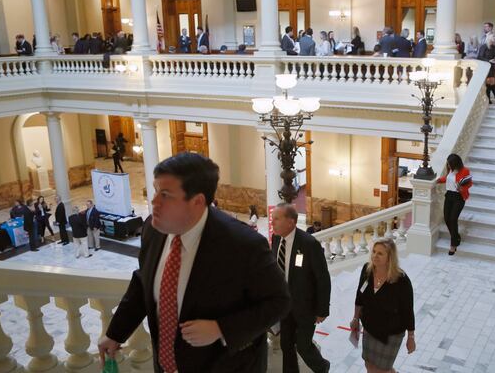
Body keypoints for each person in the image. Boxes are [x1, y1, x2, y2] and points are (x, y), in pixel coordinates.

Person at [98, 153, 290, 372]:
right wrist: (115, 334)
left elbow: (278, 301)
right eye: (155, 190)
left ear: (197, 201)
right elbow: (145, 282)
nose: (154, 202)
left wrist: (221, 329)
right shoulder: (153, 228)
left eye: (166, 194)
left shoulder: (243, 245)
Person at [271, 203, 331, 373]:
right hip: (285, 306)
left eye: (277, 218)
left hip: (305, 307)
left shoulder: (309, 244)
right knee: (286, 345)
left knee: (303, 346)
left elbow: (323, 279)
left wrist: (322, 310)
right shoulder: (276, 239)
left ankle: (322, 367)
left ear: (291, 222)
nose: (272, 222)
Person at [351, 238, 416, 372]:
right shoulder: (367, 270)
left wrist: (411, 337)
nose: (375, 256)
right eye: (374, 252)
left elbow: (408, 311)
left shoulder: (401, 280)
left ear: (390, 257)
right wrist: (356, 318)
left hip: (390, 333)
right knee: (369, 365)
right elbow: (359, 297)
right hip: (370, 328)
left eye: (380, 253)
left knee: (382, 369)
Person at [436, 153, 472, 255]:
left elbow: (469, 183)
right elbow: (448, 178)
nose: (448, 166)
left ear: (455, 163)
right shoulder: (451, 169)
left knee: (453, 219)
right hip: (449, 196)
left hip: (459, 197)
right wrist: (438, 180)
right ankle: (456, 237)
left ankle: (453, 245)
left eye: (449, 164)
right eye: (448, 164)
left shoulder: (465, 171)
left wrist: (462, 188)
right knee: (447, 219)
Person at [479, 34, 495, 104]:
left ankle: (490, 99)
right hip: (485, 66)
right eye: (494, 38)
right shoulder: (484, 46)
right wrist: (488, 60)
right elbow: (479, 57)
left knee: (491, 83)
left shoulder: (494, 47)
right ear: (490, 39)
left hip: (492, 66)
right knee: (489, 84)